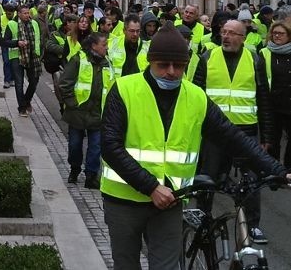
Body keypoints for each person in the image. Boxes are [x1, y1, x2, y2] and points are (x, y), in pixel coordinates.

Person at [100, 22, 290, 270]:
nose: (171, 72)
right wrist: (151, 187)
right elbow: (110, 147)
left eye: (178, 66)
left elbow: (232, 137)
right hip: (124, 200)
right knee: (126, 265)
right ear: (149, 61)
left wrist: (278, 170)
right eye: (163, 65)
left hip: (171, 201)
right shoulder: (125, 89)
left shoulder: (196, 96)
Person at [195, 19, 272, 243]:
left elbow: (263, 98)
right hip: (215, 132)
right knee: (207, 177)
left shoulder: (254, 59)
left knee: (252, 181)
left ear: (243, 38)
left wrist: (266, 137)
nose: (226, 36)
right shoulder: (207, 57)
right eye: (224, 32)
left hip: (245, 131)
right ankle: (202, 217)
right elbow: (196, 95)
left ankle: (253, 225)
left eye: (232, 33)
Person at [60, 32, 113, 188]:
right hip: (78, 113)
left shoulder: (106, 63)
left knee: (96, 147)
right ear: (94, 46)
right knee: (75, 145)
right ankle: (75, 169)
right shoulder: (78, 60)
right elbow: (65, 83)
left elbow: (110, 86)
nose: (106, 48)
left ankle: (91, 175)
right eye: (104, 45)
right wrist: (72, 103)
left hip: (97, 113)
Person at [259, 21, 291, 168]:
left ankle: (289, 168)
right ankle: (274, 170)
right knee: (273, 139)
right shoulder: (265, 53)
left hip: (289, 103)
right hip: (272, 104)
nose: (277, 36)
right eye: (275, 33)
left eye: (281, 34)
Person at [3, 5, 43, 117]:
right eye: (24, 13)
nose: (27, 15)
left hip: (32, 55)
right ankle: (22, 108)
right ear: (19, 14)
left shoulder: (34, 24)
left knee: (34, 81)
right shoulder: (12, 24)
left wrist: (39, 54)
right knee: (19, 83)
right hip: (16, 56)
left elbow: (38, 39)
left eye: (28, 13)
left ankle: (26, 100)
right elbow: (5, 41)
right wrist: (17, 43)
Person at [44, 14, 80, 113]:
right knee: (59, 87)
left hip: (75, 66)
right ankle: (62, 106)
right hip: (60, 66)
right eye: (74, 23)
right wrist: (65, 50)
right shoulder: (56, 34)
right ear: (67, 23)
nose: (77, 25)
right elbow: (49, 46)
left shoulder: (79, 34)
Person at [107, 14, 149, 79]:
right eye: (132, 31)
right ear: (124, 31)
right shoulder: (112, 44)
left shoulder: (146, 47)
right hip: (118, 86)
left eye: (138, 31)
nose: (135, 34)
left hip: (138, 86)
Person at [0, 4, 16, 89]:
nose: (9, 15)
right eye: (7, 14)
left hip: (14, 43)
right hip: (5, 43)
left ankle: (12, 79)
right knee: (6, 62)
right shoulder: (1, 18)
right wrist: (0, 37)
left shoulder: (17, 18)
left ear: (13, 12)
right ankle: (7, 81)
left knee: (14, 62)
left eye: (11, 14)